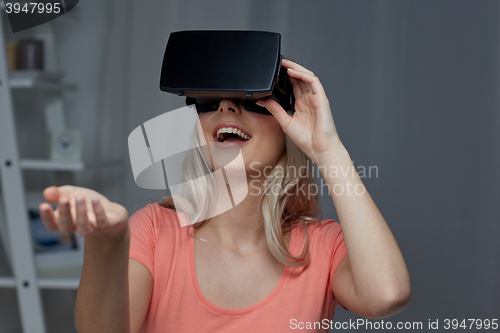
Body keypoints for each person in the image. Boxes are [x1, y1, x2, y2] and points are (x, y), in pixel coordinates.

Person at [39, 58, 411, 333]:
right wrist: (107, 243)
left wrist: (327, 150)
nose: (226, 108)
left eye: (251, 99)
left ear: (287, 128)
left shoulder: (322, 246)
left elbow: (387, 295)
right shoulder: (154, 231)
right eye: (208, 100)